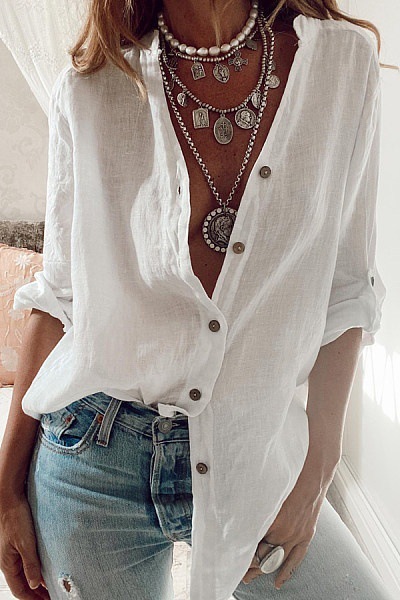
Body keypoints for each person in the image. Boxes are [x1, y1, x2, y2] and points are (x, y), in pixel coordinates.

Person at [0, 1, 395, 599]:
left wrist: (317, 472)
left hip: (256, 446)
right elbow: (58, 300)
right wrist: (6, 490)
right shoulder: (91, 90)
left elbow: (347, 291)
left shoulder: (342, 65)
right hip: (94, 453)